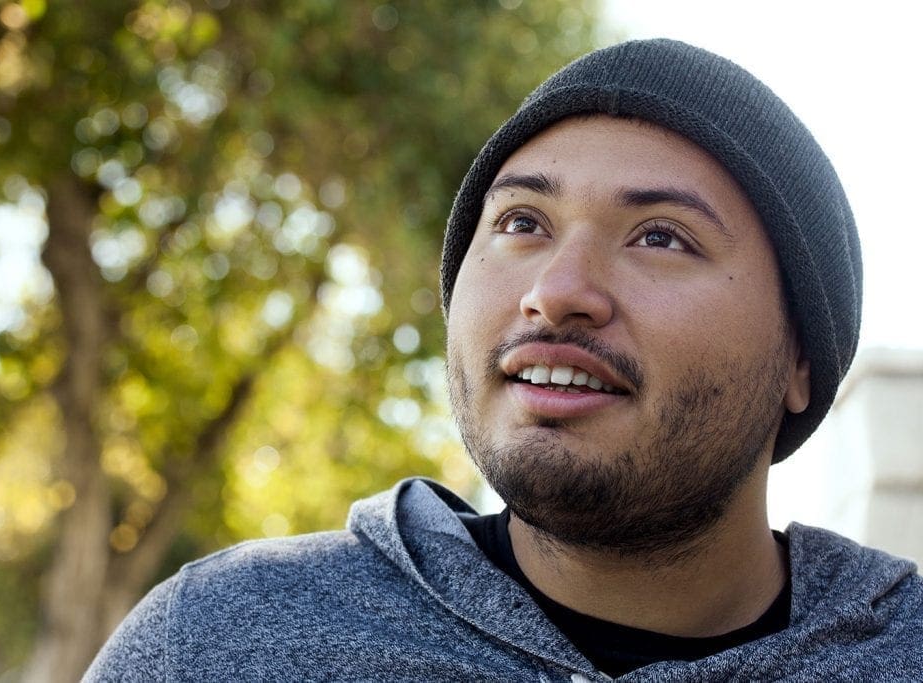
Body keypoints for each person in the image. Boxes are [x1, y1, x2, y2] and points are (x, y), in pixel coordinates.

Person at [85, 39, 922, 681]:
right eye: (523, 223)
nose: (557, 292)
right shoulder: (221, 640)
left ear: (801, 360)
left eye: (660, 237)